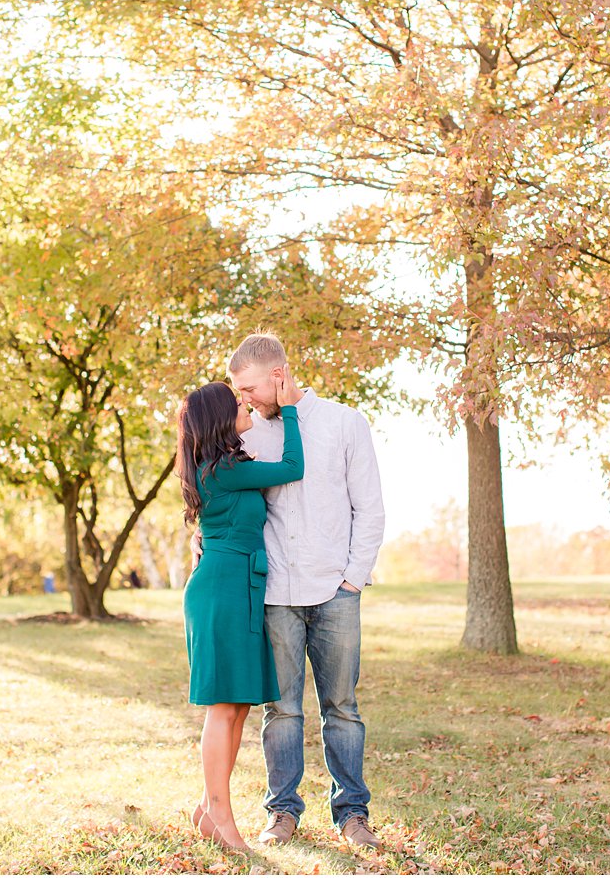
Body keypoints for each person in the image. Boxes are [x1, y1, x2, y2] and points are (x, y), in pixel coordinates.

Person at [228, 333, 386, 851]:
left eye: (249, 387)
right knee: (282, 711)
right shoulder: (248, 436)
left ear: (278, 375)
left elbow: (370, 508)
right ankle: (282, 812)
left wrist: (352, 580)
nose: (244, 398)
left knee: (341, 706)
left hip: (335, 591)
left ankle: (352, 812)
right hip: (276, 594)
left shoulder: (345, 423)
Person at [177, 374, 305, 851]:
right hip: (222, 591)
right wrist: (290, 409)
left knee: (239, 706)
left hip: (242, 587)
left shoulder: (223, 466)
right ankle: (222, 816)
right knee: (223, 707)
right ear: (220, 419)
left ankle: (207, 808)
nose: (244, 404)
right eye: (237, 402)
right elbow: (293, 465)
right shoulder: (223, 469)